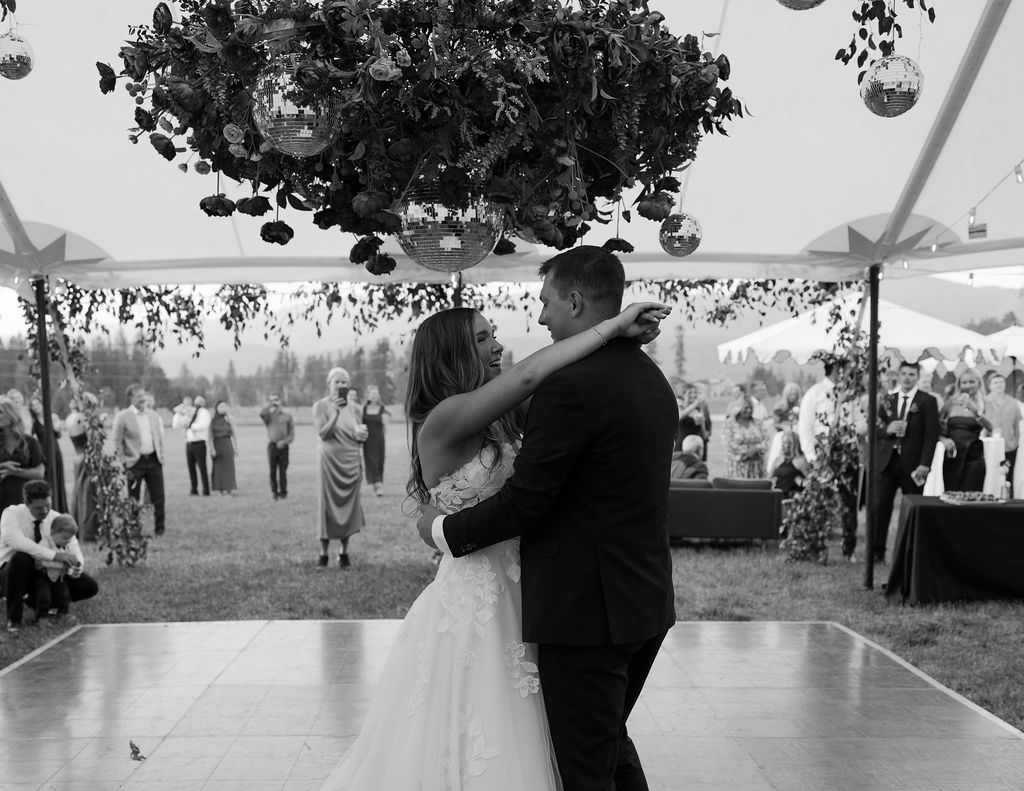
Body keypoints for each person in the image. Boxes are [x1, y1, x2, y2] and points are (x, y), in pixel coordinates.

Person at [402, 246, 674, 791]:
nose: (510, 336)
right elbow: (530, 378)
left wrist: (441, 531)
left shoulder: (539, 401)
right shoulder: (448, 417)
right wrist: (612, 331)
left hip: (561, 602)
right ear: (450, 353)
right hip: (503, 597)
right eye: (482, 337)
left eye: (546, 303)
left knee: (586, 749)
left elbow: (535, 420)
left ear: (573, 300)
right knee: (552, 742)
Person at [1, 480, 98, 634]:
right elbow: (16, 541)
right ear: (27, 502)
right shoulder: (11, 514)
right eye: (39, 507)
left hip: (46, 573)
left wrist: (77, 565)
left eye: (48, 505)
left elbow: (72, 544)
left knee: (89, 586)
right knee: (22, 557)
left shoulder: (56, 518)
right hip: (12, 573)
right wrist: (55, 556)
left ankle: (45, 605)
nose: (45, 510)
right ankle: (14, 619)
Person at [873, 360, 939, 562]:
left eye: (911, 374)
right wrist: (887, 429)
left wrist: (925, 464)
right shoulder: (888, 399)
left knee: (912, 509)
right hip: (888, 462)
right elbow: (876, 430)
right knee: (880, 508)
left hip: (913, 465)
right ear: (898, 376)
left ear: (917, 377)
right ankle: (877, 553)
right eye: (904, 374)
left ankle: (910, 552)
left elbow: (931, 436)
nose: (907, 378)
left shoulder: (927, 401)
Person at [312, 368, 368, 568]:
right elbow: (323, 434)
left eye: (344, 382)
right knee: (326, 506)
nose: (341, 385)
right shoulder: (320, 406)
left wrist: (362, 436)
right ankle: (323, 553)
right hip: (329, 463)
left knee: (349, 507)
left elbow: (358, 435)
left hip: (350, 461)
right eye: (337, 381)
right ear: (329, 383)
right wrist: (335, 413)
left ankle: (344, 552)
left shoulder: (355, 408)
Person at [112, 384, 166, 535]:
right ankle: (134, 529)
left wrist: (161, 455)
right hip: (135, 462)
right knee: (133, 498)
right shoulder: (123, 417)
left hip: (154, 460)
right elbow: (117, 441)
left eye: (144, 395)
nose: (143, 398)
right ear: (130, 398)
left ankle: (160, 528)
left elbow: (159, 437)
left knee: (159, 496)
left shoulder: (154, 416)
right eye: (139, 396)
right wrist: (123, 461)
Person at [939, 369, 992, 492]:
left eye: (971, 382)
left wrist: (975, 411)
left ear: (978, 383)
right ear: (959, 385)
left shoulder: (985, 402)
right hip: (953, 454)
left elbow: (991, 428)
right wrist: (943, 440)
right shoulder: (950, 403)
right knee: (952, 493)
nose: (967, 385)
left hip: (974, 454)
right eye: (964, 382)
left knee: (971, 495)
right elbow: (936, 427)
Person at [33, 514, 81, 625]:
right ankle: (41, 617)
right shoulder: (45, 543)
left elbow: (72, 557)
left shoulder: (66, 545)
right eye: (65, 538)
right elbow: (39, 560)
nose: (67, 541)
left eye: (69, 538)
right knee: (44, 597)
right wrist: (61, 564)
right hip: (43, 576)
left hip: (59, 576)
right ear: (53, 532)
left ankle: (63, 614)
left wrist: (74, 566)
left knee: (64, 595)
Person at [0, 399, 45, 514]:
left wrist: (14, 472)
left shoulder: (30, 443)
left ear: (11, 417)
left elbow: (40, 473)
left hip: (24, 502)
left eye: (0, 412)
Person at [65, 392, 99, 542]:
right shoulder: (81, 420)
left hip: (79, 458)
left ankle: (81, 526)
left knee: (81, 494)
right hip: (86, 459)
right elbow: (91, 440)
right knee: (87, 495)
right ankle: (88, 531)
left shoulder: (71, 418)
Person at [28, 394, 68, 513]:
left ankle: (59, 506)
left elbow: (58, 432)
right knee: (46, 478)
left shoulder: (52, 417)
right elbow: (33, 438)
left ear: (42, 404)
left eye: (37, 404)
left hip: (54, 451)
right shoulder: (34, 423)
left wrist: (54, 421)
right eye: (33, 405)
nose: (36, 407)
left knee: (57, 477)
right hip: (42, 453)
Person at [984, 373, 1020, 491]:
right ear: (990, 386)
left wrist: (1015, 443)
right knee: (990, 474)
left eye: (1001, 382)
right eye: (996, 382)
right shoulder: (984, 402)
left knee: (1008, 476)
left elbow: (1017, 425)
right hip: (990, 447)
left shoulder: (1013, 403)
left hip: (1009, 447)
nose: (999, 385)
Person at [172, 394, 212, 496]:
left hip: (199, 443)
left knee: (202, 468)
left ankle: (206, 490)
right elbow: (176, 425)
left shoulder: (203, 412)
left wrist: (190, 425)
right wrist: (179, 414)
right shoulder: (188, 413)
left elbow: (203, 425)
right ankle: (194, 489)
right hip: (189, 443)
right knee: (191, 468)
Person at [260, 392, 294, 500]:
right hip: (272, 446)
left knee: (283, 472)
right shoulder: (268, 416)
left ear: (280, 401)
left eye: (276, 399)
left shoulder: (287, 416)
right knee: (272, 471)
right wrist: (269, 405)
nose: (274, 402)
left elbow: (292, 434)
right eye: (271, 400)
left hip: (283, 447)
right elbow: (261, 414)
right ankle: (274, 492)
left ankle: (283, 492)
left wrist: (284, 442)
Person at [723, 394, 767, 478]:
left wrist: (756, 449)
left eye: (751, 408)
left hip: (756, 465)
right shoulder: (730, 423)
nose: (749, 410)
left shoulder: (758, 423)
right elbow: (729, 443)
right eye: (746, 408)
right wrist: (747, 452)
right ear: (739, 408)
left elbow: (765, 441)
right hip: (737, 465)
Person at [360, 385, 389, 496]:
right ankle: (377, 485)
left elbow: (385, 427)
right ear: (368, 396)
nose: (374, 396)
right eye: (372, 393)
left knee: (379, 462)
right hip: (367, 440)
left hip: (379, 440)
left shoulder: (383, 409)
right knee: (371, 463)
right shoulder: (363, 409)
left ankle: (378, 484)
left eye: (376, 393)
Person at [674, 382, 711, 460]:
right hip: (681, 443)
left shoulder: (699, 409)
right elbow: (679, 417)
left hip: (696, 445)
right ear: (684, 394)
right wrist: (694, 404)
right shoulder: (680, 406)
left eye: (695, 392)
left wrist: (702, 422)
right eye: (690, 392)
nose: (693, 395)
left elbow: (704, 434)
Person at [209, 400, 238, 495]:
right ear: (216, 408)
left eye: (224, 406)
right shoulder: (213, 420)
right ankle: (220, 488)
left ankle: (229, 487)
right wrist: (212, 449)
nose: (222, 408)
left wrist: (236, 447)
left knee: (229, 467)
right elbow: (210, 436)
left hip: (227, 444)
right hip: (217, 444)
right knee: (218, 468)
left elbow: (234, 434)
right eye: (220, 406)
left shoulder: (229, 419)